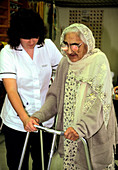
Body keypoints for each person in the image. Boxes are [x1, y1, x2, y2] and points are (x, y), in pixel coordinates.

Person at [24, 23, 118, 170]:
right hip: (69, 132)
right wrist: (38, 116)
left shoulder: (99, 61)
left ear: (87, 43)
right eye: (66, 45)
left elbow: (98, 103)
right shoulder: (64, 63)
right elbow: (54, 97)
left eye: (75, 45)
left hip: (92, 132)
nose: (69, 51)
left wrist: (80, 128)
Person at [0, 8, 62, 170]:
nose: (32, 41)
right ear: (16, 34)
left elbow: (63, 70)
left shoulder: (47, 46)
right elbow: (11, 90)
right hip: (16, 120)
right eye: (26, 37)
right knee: (17, 164)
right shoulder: (8, 53)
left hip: (44, 119)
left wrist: (54, 81)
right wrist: (25, 118)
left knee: (42, 163)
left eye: (35, 36)